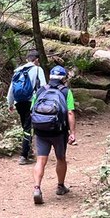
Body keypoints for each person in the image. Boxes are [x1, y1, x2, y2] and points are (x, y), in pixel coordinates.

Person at [31, 65, 76, 205]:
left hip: (41, 130)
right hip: (58, 132)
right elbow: (70, 112)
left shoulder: (40, 90)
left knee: (40, 160)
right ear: (63, 78)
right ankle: (60, 186)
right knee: (60, 158)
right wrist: (72, 133)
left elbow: (32, 109)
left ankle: (37, 188)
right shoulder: (66, 92)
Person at [7, 49, 46, 165]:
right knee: (28, 128)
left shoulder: (18, 71)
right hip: (31, 102)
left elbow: (11, 88)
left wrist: (10, 103)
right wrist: (43, 103)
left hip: (19, 102)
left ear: (26, 59)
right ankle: (23, 155)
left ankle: (28, 151)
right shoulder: (38, 69)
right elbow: (43, 87)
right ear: (37, 60)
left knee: (25, 127)